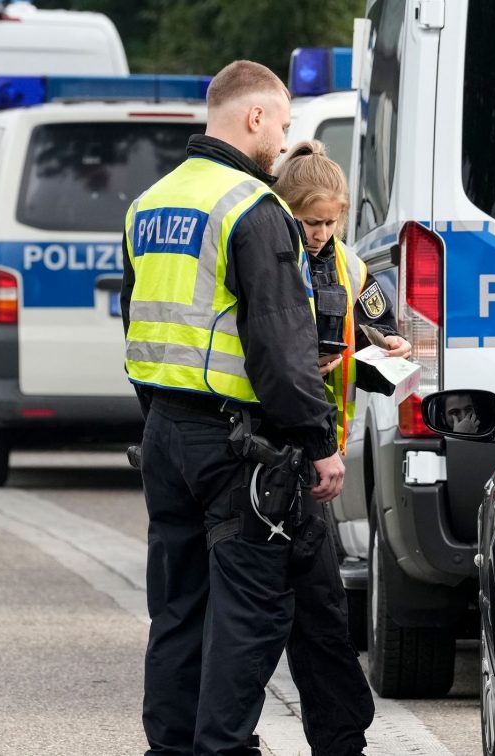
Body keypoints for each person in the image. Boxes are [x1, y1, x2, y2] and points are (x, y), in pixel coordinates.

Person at [119, 60, 345, 756]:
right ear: (254, 116)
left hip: (164, 435)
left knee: (178, 609)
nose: (282, 139)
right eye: (282, 123)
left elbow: (138, 324)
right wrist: (319, 442)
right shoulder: (254, 208)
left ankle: (169, 748)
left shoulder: (149, 204)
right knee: (248, 614)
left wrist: (162, 413)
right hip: (235, 446)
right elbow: (279, 346)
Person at [268, 141, 412, 756]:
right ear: (286, 211)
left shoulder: (349, 267)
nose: (321, 234)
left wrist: (388, 349)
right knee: (276, 609)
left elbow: (383, 335)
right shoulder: (266, 256)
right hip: (271, 449)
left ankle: (340, 738)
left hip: (318, 453)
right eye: (311, 222)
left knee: (322, 607)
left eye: (330, 222)